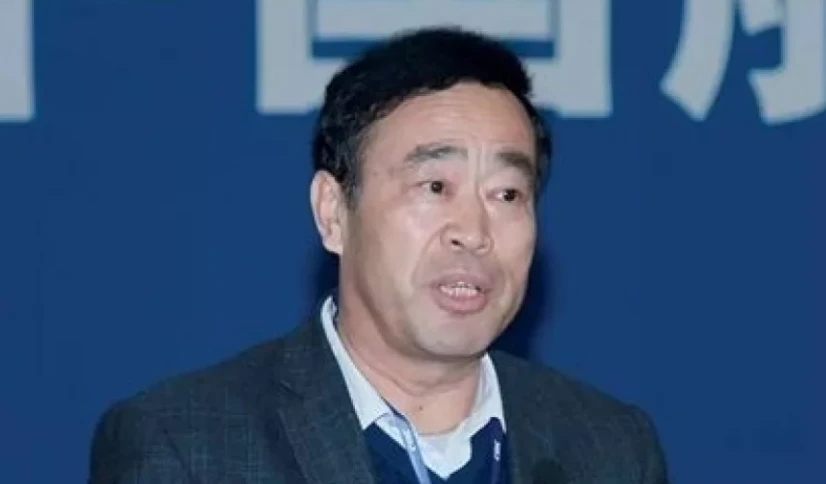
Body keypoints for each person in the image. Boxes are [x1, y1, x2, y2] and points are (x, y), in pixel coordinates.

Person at [89, 26, 669, 484]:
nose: (473, 231)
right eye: (435, 187)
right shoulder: (185, 445)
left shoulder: (611, 448)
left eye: (507, 195)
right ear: (333, 213)